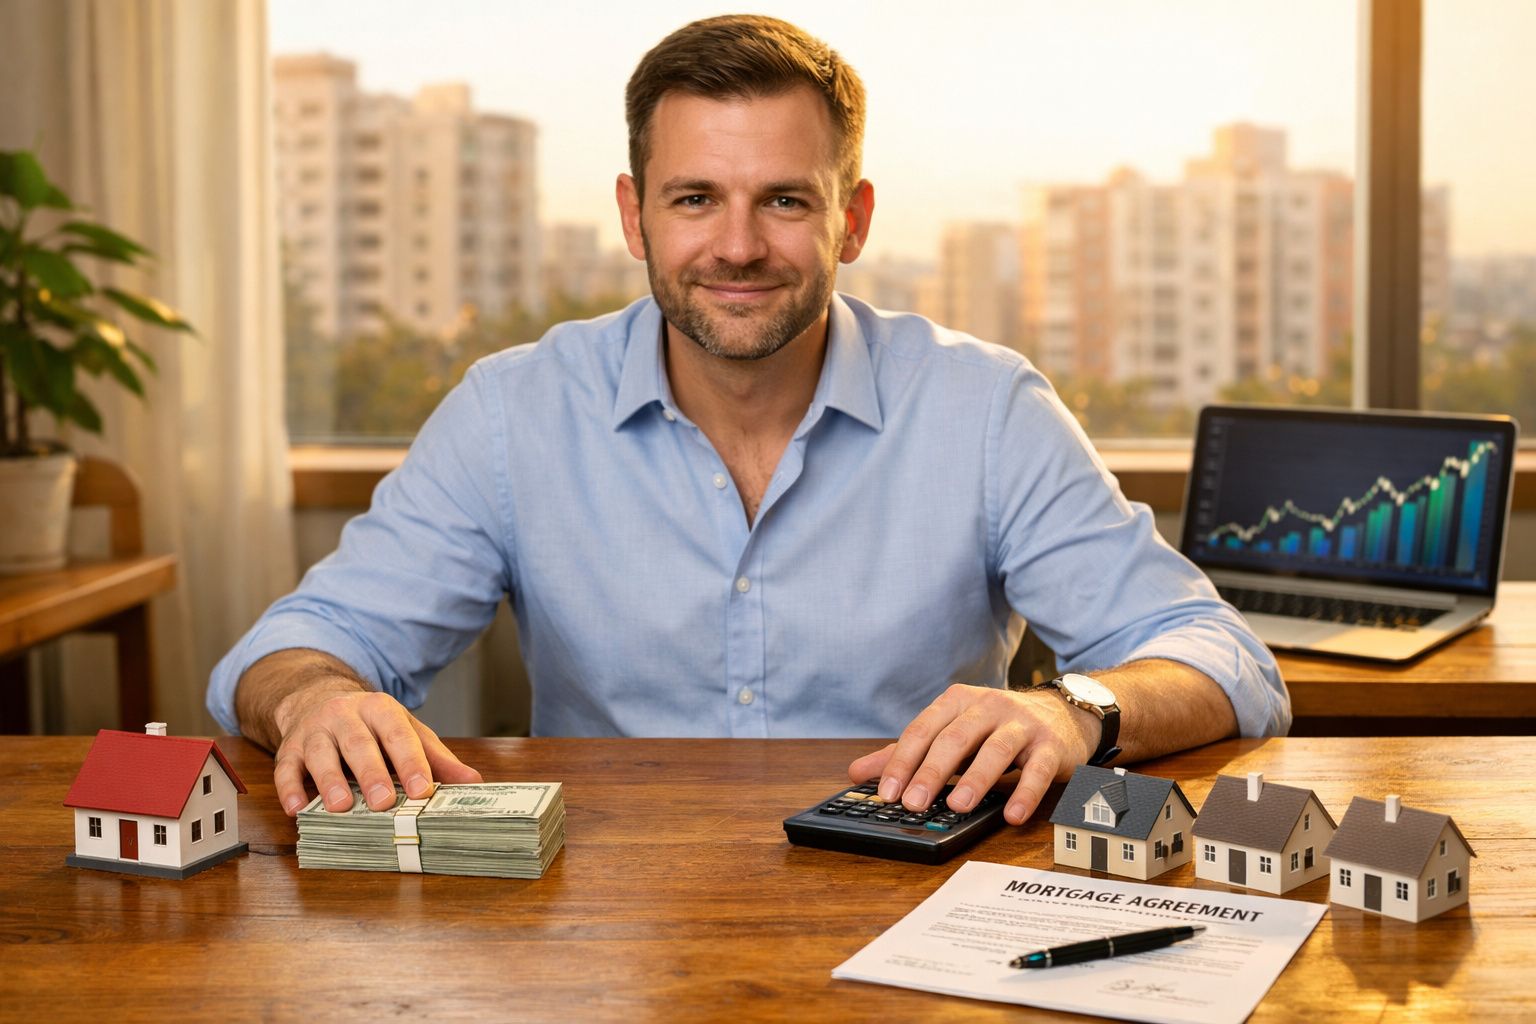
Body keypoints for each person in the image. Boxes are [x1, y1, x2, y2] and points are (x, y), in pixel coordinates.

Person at [209, 14, 1287, 826]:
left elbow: (1223, 659)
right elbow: (289, 652)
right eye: (694, 199)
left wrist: (1069, 712)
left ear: (851, 218)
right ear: (634, 214)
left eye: (784, 199)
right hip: (599, 913)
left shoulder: (986, 407)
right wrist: (314, 700)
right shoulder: (513, 410)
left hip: (915, 902)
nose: (736, 247)